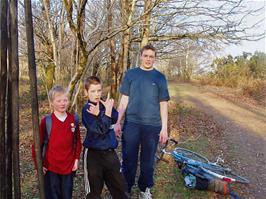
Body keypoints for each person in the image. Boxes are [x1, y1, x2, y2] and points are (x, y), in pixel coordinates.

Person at [114, 44, 170, 199]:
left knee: (147, 162)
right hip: (132, 123)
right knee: (128, 159)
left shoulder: (159, 77)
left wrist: (164, 128)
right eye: (146, 55)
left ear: (155, 58)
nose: (148, 59)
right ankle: (126, 188)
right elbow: (124, 100)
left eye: (151, 56)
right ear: (141, 56)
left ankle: (145, 189)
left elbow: (163, 103)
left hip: (152, 126)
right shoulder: (131, 75)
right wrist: (118, 121)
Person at [82, 76, 129, 199]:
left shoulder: (104, 105)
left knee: (120, 188)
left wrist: (107, 109)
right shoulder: (87, 109)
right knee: (94, 192)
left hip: (109, 153)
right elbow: (100, 129)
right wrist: (105, 113)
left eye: (99, 90)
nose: (96, 94)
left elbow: (115, 117)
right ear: (86, 92)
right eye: (92, 91)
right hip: (93, 155)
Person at [32, 85, 82, 199]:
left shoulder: (73, 119)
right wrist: (38, 165)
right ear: (52, 103)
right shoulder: (47, 121)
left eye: (65, 100)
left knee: (66, 195)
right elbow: (36, 145)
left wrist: (76, 159)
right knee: (53, 196)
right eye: (58, 100)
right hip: (51, 167)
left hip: (68, 167)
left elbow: (77, 141)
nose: (62, 103)